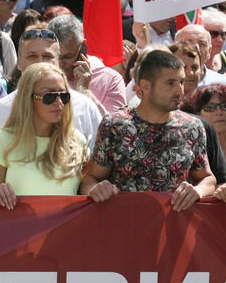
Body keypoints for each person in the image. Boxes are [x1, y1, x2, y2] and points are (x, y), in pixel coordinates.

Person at [79, 49, 218, 211]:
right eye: (170, 83)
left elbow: (207, 178)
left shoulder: (193, 127)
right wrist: (96, 190)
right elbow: (90, 178)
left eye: (181, 82)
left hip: (174, 227)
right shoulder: (114, 126)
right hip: (125, 227)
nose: (180, 90)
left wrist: (198, 190)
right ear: (145, 86)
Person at [0, 63, 89, 209]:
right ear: (28, 98)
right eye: (49, 96)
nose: (59, 102)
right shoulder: (3, 140)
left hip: (64, 231)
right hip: (22, 230)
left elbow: (88, 186)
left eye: (63, 96)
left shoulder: (77, 140)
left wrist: (97, 187)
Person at [181, 84, 226, 169]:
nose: (219, 112)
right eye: (210, 107)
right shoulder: (192, 153)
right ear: (199, 116)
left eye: (225, 106)